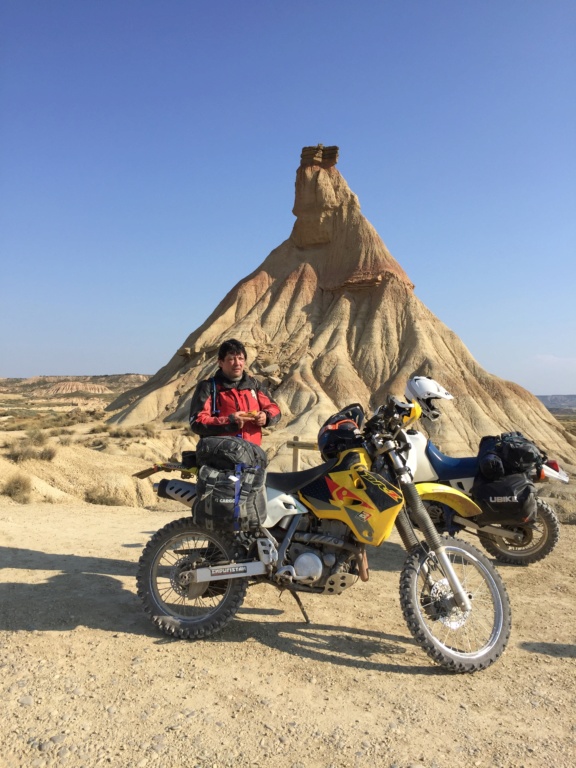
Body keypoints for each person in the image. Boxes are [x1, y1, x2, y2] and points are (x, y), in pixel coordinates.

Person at [189, 339, 281, 446]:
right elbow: (197, 422)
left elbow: (275, 410)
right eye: (231, 359)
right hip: (221, 456)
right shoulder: (208, 387)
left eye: (241, 358)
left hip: (252, 454)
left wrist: (266, 416)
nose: (237, 363)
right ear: (220, 362)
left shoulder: (254, 385)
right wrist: (229, 421)